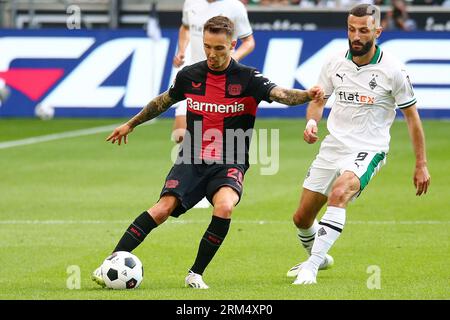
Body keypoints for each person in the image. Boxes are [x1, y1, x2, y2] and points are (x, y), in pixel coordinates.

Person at [92, 16, 324, 289]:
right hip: (192, 156)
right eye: (207, 47)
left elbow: (281, 94)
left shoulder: (248, 78)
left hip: (231, 159)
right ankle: (109, 262)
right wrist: (130, 124)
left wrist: (308, 94)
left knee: (224, 207)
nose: (212, 54)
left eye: (219, 48)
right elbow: (162, 102)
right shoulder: (190, 75)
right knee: (162, 209)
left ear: (232, 45)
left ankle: (195, 273)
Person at [287, 3, 431, 285]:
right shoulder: (334, 61)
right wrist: (312, 122)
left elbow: (412, 118)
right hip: (333, 146)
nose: (356, 36)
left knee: (340, 193)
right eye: (351, 29)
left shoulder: (393, 70)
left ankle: (311, 267)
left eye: (363, 30)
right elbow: (319, 99)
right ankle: (321, 256)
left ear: (377, 31)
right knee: (302, 219)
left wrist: (421, 164)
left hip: (369, 149)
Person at [172, 0, 255, 144]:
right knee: (180, 135)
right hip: (195, 77)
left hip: (221, 78)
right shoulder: (191, 2)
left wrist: (233, 58)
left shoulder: (235, 6)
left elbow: (249, 42)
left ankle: (218, 163)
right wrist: (181, 50)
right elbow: (185, 28)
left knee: (216, 138)